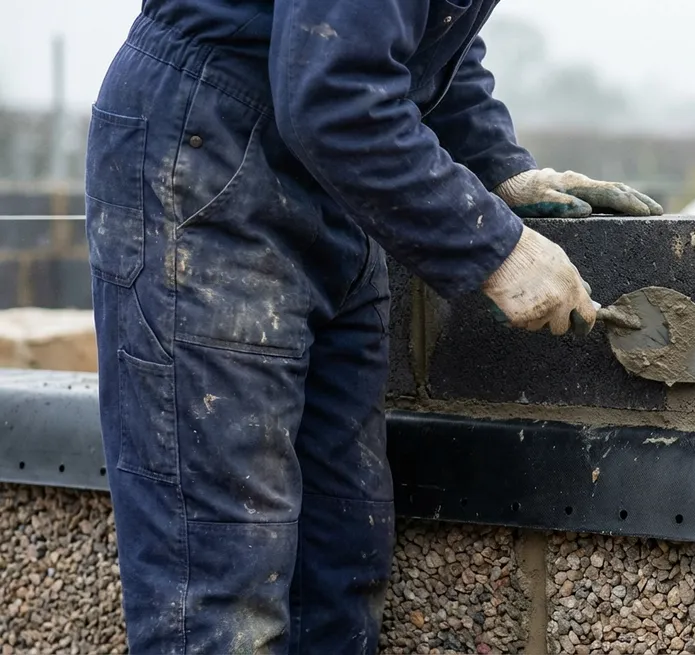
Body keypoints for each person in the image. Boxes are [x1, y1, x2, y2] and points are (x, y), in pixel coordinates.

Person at [84, 1, 663, 652]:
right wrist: (495, 248)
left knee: (340, 556)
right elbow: (332, 92)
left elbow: (422, 34)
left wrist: (497, 164)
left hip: (335, 179)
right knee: (220, 585)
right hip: (210, 160)